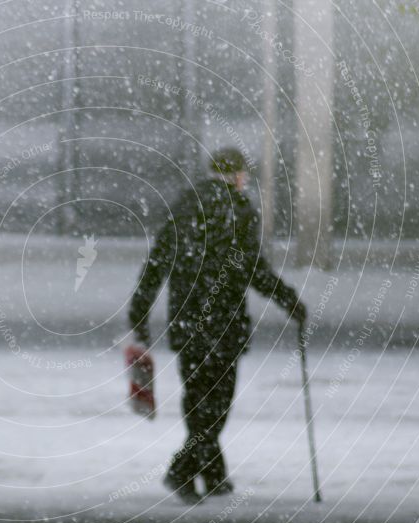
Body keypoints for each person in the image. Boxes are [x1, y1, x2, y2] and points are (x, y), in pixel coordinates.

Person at [128, 147, 306, 504]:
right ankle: (182, 471)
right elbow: (253, 268)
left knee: (197, 401)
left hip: (188, 321)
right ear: (238, 176)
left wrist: (140, 311)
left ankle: (213, 474)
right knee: (217, 405)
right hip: (223, 322)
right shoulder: (239, 212)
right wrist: (290, 301)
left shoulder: (184, 207)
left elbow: (158, 261)